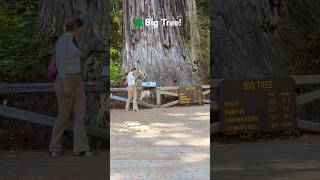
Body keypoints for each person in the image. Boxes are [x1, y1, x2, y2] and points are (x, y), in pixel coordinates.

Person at [49, 18, 95, 157]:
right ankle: (55, 147)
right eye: (80, 28)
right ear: (76, 27)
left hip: (77, 79)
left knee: (80, 114)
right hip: (65, 78)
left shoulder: (73, 40)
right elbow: (60, 62)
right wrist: (65, 84)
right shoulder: (64, 39)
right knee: (63, 114)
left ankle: (81, 148)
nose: (81, 31)